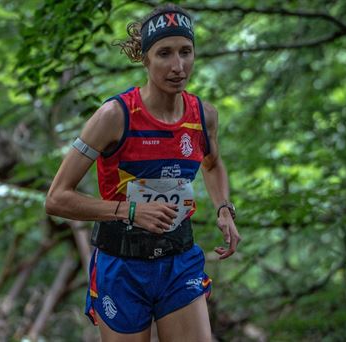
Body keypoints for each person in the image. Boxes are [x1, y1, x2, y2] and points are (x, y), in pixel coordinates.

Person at [45, 3, 240, 341]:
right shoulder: (114, 116)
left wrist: (224, 208)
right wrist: (130, 211)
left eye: (185, 52)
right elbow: (56, 198)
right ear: (145, 58)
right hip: (122, 265)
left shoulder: (203, 116)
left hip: (179, 260)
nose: (177, 66)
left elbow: (212, 163)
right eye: (164, 53)